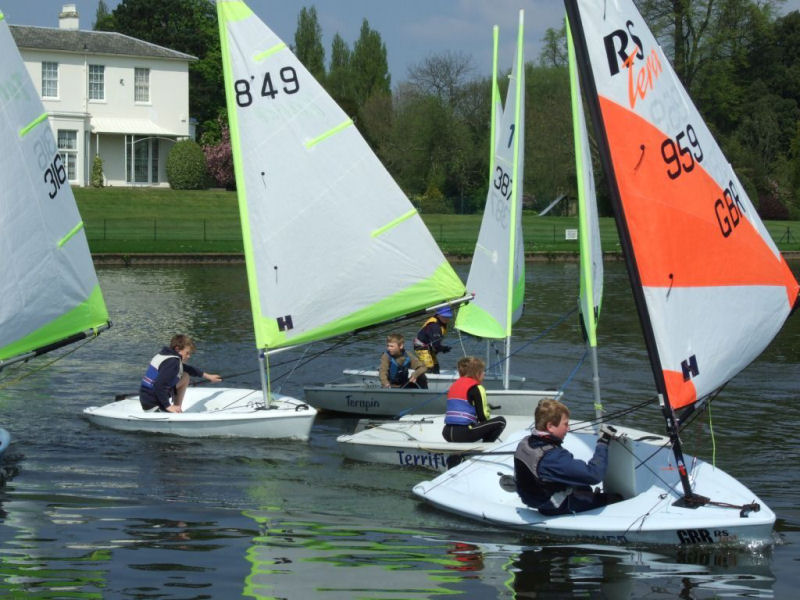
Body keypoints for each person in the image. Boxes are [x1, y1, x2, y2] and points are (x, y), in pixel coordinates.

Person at [513, 398, 622, 515]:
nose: (568, 428)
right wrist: (603, 443)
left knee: (584, 487)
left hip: (534, 497)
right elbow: (594, 475)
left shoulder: (526, 442)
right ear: (550, 426)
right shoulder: (551, 457)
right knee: (616, 499)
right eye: (565, 424)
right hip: (552, 506)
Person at [139, 334, 222, 413]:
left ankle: (177, 408)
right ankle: (173, 409)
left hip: (147, 398)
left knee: (185, 376)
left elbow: (187, 369)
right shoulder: (172, 362)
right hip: (153, 404)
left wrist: (208, 376)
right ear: (177, 349)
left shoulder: (166, 355)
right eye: (187, 353)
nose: (189, 356)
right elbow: (159, 385)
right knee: (181, 378)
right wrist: (168, 406)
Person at [442, 356, 506, 443]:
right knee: (501, 421)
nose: (484, 374)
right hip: (463, 433)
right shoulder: (477, 388)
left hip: (447, 432)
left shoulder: (454, 385)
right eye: (483, 371)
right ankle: (485, 448)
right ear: (477, 373)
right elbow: (483, 417)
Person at [413, 306, 453, 374]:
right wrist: (444, 348)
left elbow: (435, 345)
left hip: (429, 346)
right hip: (421, 347)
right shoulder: (434, 326)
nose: (446, 318)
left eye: (448, 316)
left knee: (436, 366)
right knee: (429, 367)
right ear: (438, 315)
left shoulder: (441, 322)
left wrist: (441, 348)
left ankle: (436, 377)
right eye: (444, 316)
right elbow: (436, 345)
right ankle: (423, 378)